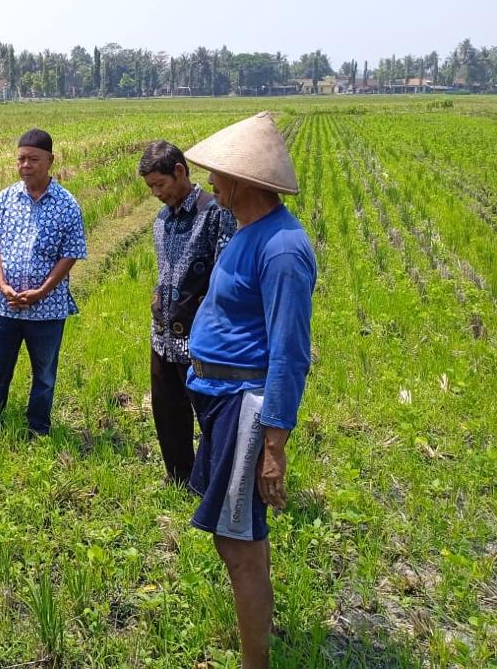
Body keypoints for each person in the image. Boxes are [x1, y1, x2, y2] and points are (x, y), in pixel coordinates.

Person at [184, 112, 317, 668]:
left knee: (236, 542)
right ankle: (258, 638)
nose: (210, 184)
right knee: (240, 534)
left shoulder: (282, 249)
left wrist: (274, 445)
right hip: (221, 402)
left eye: (217, 175)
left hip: (246, 408)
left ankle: (254, 663)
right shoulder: (248, 231)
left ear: (241, 182)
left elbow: (290, 352)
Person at [0, 129, 86, 435]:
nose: (26, 165)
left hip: (47, 309)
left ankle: (38, 428)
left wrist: (42, 291)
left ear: (50, 160)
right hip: (5, 305)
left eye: (33, 159)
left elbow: (70, 254)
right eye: (21, 159)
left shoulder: (67, 205)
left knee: (44, 375)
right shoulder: (5, 198)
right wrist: (0, 283)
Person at [139, 141, 235, 485]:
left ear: (180, 171)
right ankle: (179, 476)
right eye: (150, 187)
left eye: (159, 185)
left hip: (200, 339)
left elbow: (225, 273)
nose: (155, 193)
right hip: (163, 335)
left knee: (208, 413)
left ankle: (213, 480)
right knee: (167, 411)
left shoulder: (215, 214)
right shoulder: (161, 220)